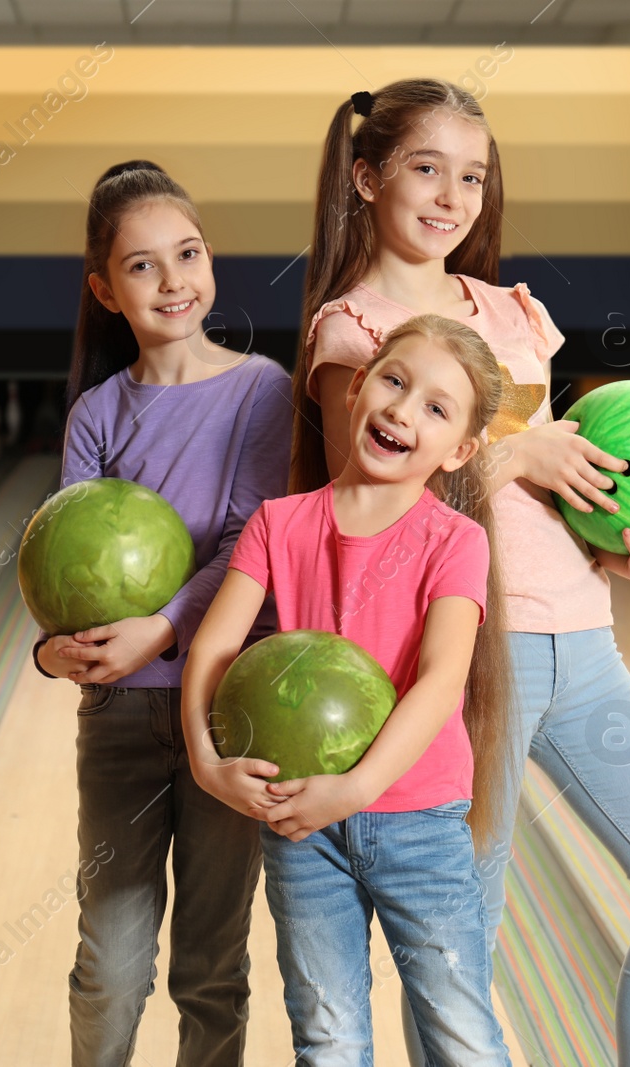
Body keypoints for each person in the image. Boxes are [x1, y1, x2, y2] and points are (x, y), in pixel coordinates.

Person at [292, 80, 630, 1067]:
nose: (452, 195)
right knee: (459, 949)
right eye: (425, 168)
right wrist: (515, 452)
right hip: (469, 662)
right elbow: (366, 499)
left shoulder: (512, 313)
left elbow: (563, 507)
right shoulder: (353, 332)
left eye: (472, 176)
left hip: (584, 641)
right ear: (365, 177)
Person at [182, 313, 515, 1065]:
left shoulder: (456, 540)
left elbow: (440, 683)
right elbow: (215, 645)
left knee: (461, 1031)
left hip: (420, 819)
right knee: (328, 1036)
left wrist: (358, 785)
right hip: (301, 820)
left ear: (460, 450)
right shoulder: (278, 522)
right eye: (394, 382)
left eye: (436, 407)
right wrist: (207, 762)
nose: (403, 409)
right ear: (359, 386)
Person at [30, 159, 293, 1067]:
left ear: (210, 261)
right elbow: (68, 568)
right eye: (142, 265)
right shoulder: (98, 412)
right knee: (110, 962)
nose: (173, 279)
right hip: (120, 716)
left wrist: (165, 627)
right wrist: (52, 650)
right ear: (106, 289)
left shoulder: (265, 389)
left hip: (225, 706)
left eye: (187, 253)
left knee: (211, 966)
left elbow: (250, 541)